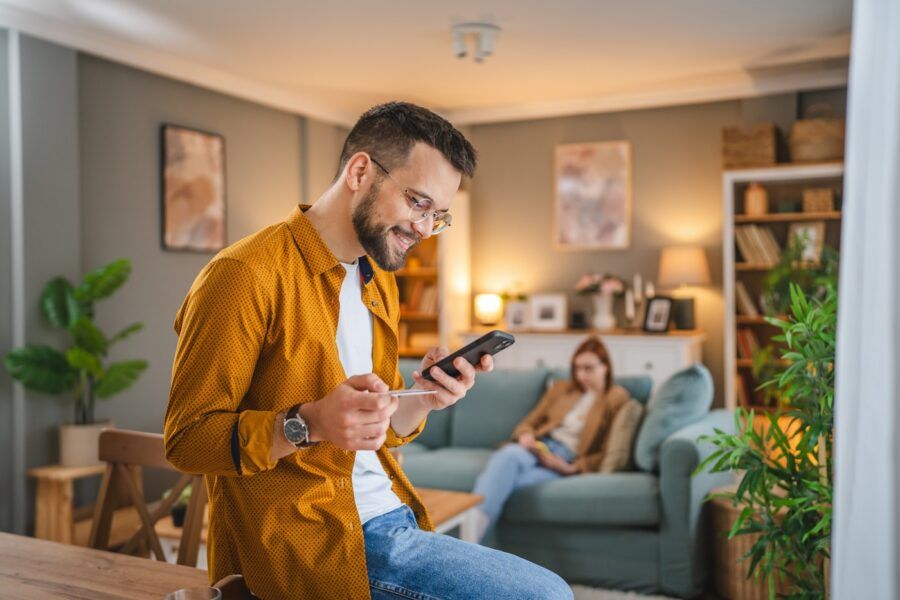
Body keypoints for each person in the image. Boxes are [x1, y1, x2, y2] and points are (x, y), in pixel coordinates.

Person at [164, 102, 573, 600]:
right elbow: (187, 441)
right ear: (360, 170)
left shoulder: (377, 279)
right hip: (312, 541)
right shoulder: (244, 275)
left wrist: (423, 397)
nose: (425, 228)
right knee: (547, 596)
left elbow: (375, 431)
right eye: (418, 202)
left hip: (390, 515)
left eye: (437, 215)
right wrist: (307, 422)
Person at [472, 336, 631, 541]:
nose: (581, 375)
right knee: (509, 455)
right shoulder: (561, 389)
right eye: (577, 368)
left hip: (563, 460)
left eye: (588, 368)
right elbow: (528, 422)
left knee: (508, 481)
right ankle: (471, 539)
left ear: (605, 367)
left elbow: (607, 450)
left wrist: (572, 468)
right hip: (539, 446)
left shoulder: (615, 398)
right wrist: (526, 436)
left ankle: (472, 537)